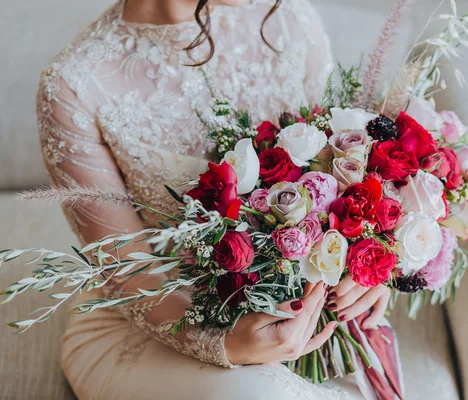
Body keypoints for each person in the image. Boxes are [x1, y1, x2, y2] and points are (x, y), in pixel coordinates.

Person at [38, 0, 395, 398]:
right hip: (156, 323)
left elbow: (340, 174)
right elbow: (130, 276)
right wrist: (220, 344)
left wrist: (368, 264)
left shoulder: (290, 17)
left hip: (307, 316)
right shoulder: (75, 85)